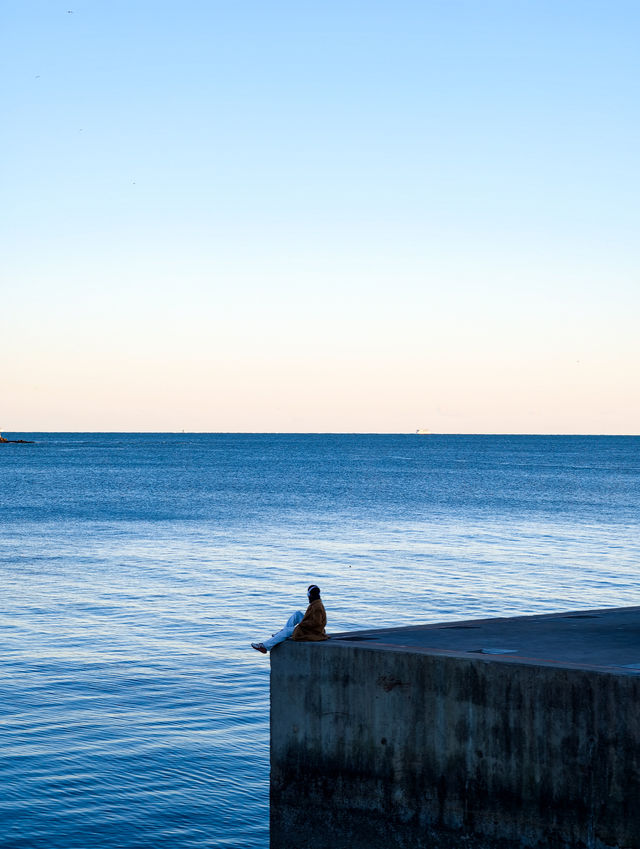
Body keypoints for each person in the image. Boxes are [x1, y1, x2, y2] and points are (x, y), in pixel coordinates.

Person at [251, 585, 328, 653]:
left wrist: (301, 625)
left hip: (314, 632)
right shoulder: (315, 603)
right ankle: (283, 633)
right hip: (310, 628)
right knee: (297, 614)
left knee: (288, 631)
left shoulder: (317, 607)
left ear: (310, 595)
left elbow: (316, 623)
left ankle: (264, 646)